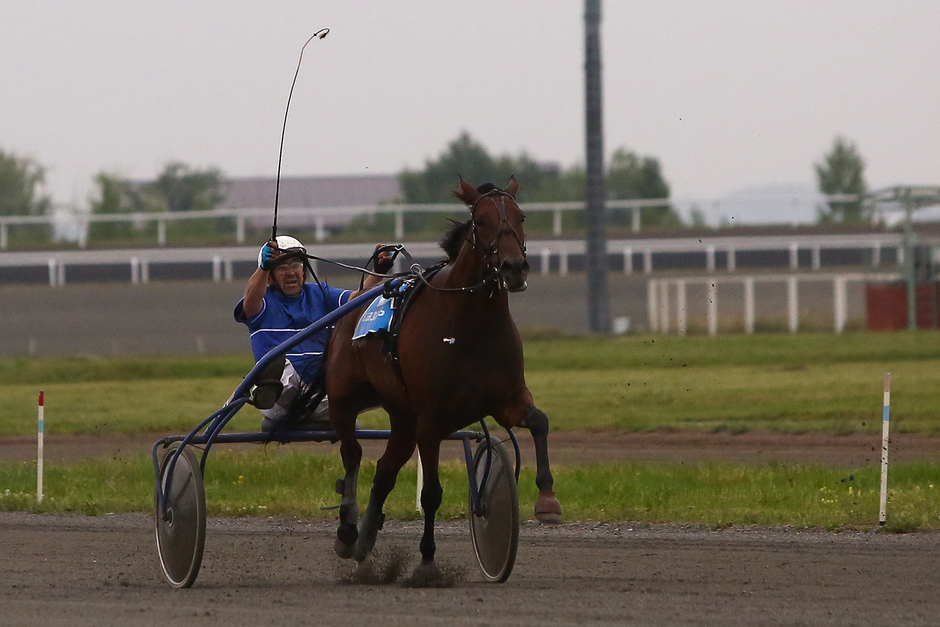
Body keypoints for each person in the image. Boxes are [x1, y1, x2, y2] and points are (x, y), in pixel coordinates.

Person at [234, 235, 392, 431]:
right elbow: (250, 301)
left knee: (381, 382)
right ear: (270, 276)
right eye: (282, 267)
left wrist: (378, 272)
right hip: (282, 398)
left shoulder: (321, 293)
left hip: (324, 393)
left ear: (304, 270)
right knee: (285, 370)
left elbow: (357, 301)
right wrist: (263, 268)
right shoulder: (262, 302)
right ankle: (268, 387)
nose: (290, 272)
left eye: (296, 264)